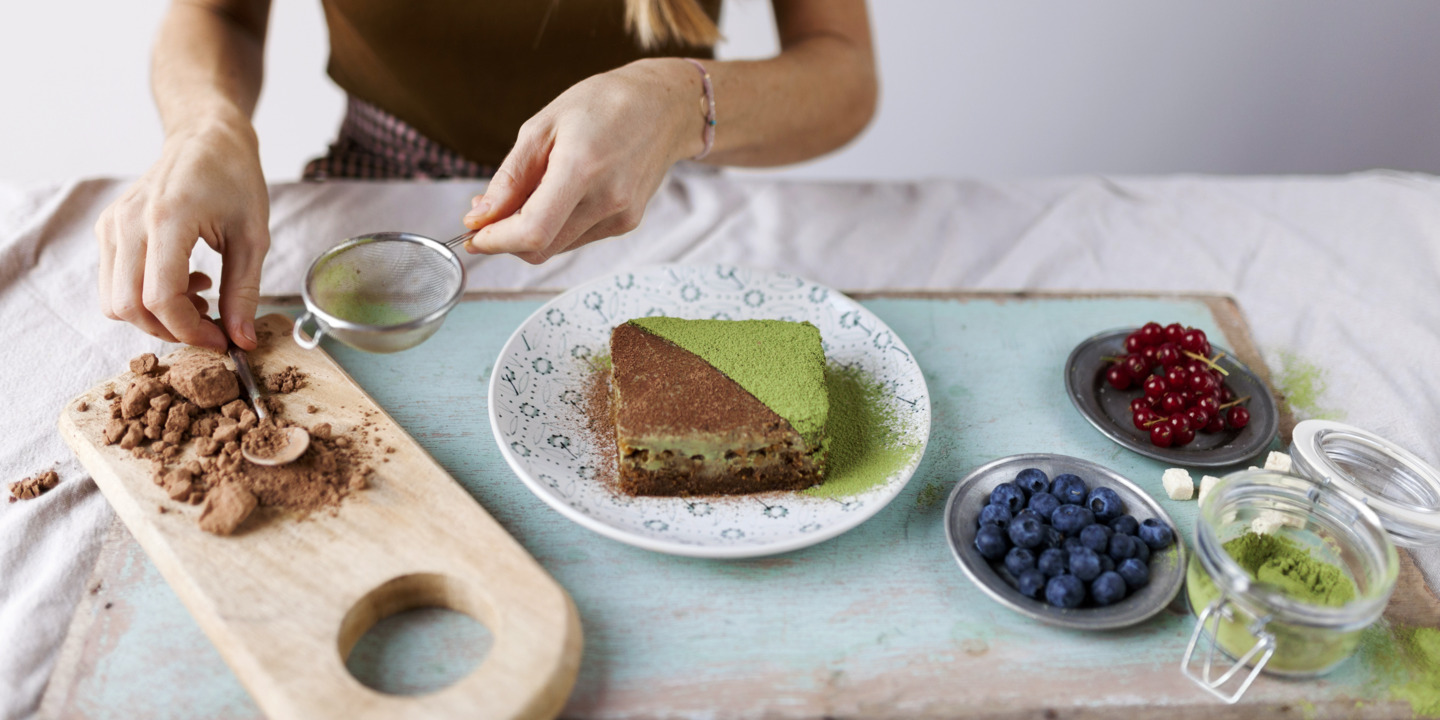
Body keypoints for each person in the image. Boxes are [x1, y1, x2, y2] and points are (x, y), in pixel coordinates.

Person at [95, 0, 877, 352]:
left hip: (662, 185)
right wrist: (207, 122)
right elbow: (220, 13)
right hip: (381, 172)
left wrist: (682, 104)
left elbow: (843, 72)